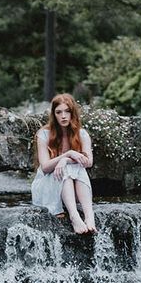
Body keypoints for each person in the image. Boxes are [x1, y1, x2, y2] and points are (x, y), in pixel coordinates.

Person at [31, 93, 96, 234]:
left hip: (73, 188)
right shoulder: (43, 134)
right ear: (54, 115)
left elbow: (89, 162)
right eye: (59, 112)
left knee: (76, 167)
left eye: (67, 111)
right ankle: (74, 217)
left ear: (73, 113)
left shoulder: (82, 134)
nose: (63, 116)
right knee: (67, 168)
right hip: (47, 186)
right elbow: (45, 167)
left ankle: (89, 217)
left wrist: (65, 160)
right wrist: (67, 154)